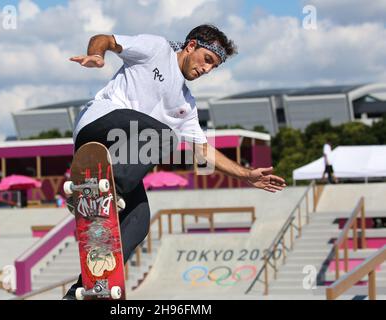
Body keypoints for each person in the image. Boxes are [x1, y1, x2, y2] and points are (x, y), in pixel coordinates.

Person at [63, 24, 286, 299]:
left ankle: (84, 289)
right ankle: (104, 191)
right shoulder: (156, 49)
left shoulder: (186, 105)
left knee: (138, 221)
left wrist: (246, 174)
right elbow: (104, 39)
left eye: (214, 67)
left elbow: (203, 151)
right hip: (99, 125)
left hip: (118, 158)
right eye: (207, 60)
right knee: (165, 136)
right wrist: (97, 55)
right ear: (191, 46)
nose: (206, 70)